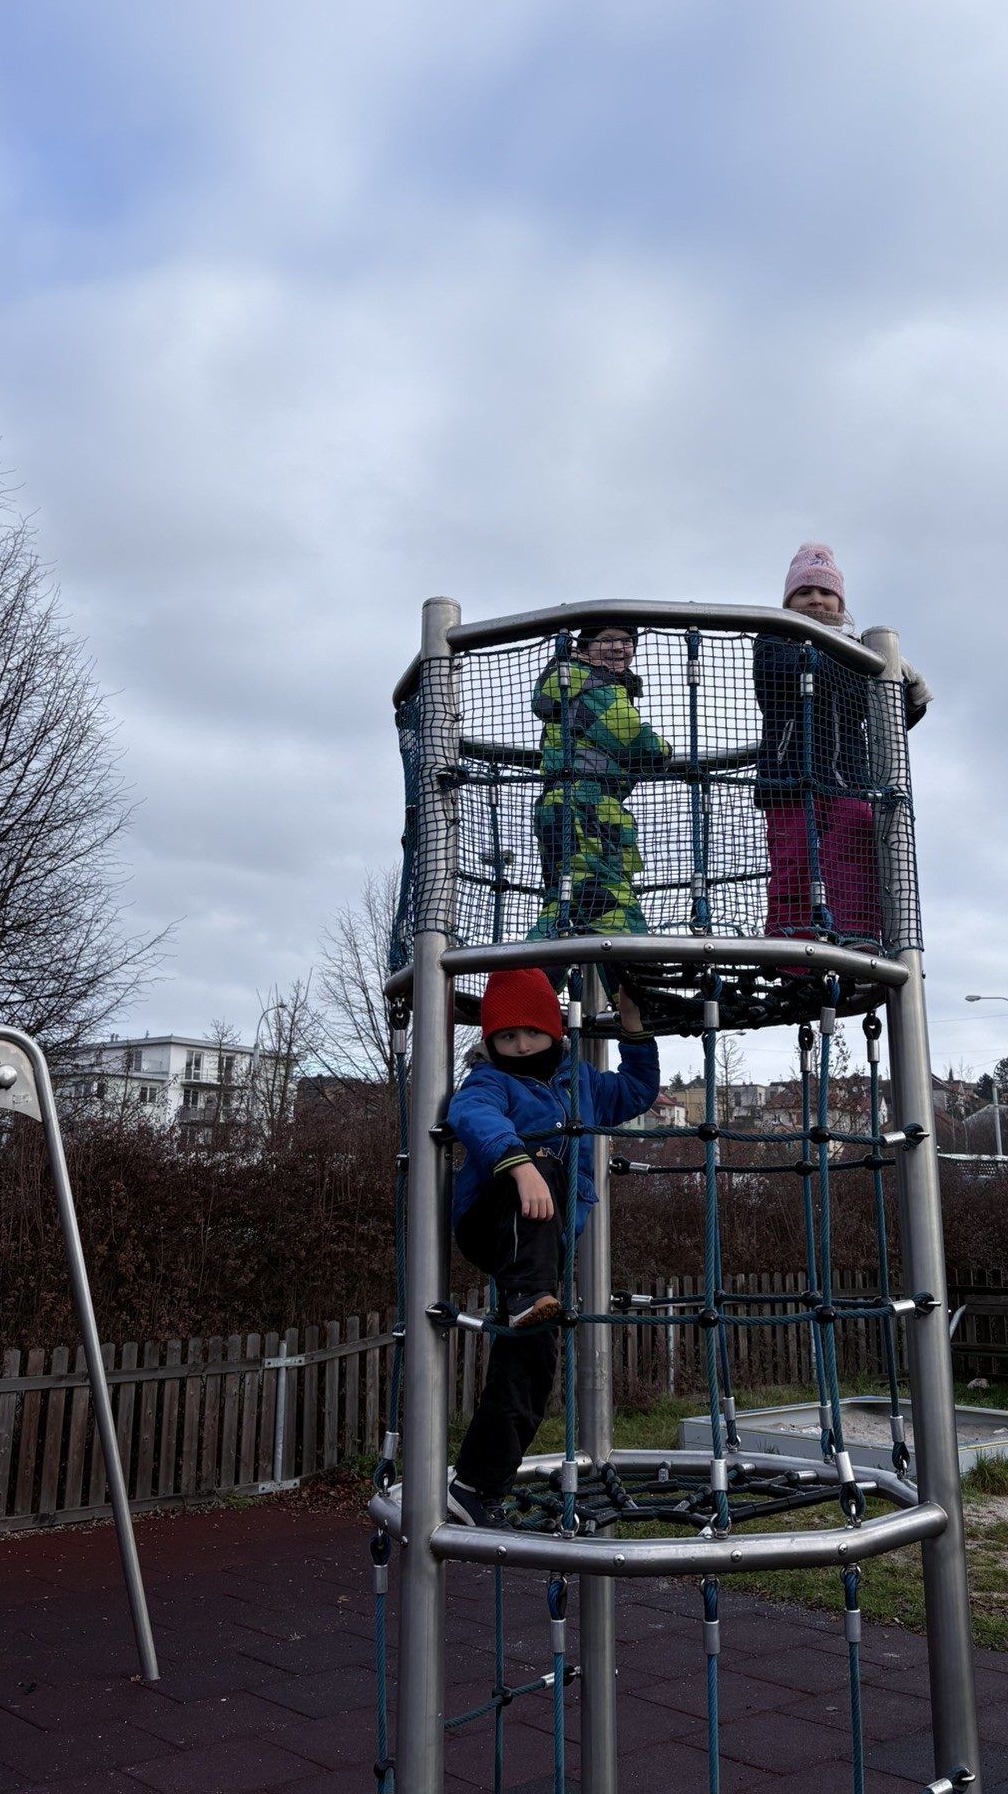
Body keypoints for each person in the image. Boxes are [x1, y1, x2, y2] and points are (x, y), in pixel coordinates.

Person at [445, 967, 659, 1526]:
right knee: (541, 1154)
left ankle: (475, 1486)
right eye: (507, 1036)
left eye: (532, 1033)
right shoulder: (492, 1080)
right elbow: (469, 1112)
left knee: (532, 1361)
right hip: (492, 1220)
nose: (521, 1046)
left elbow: (636, 1091)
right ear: (491, 1041)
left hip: (545, 1246)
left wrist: (634, 1029)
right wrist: (518, 1163)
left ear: (554, 1029)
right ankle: (526, 1295)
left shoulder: (580, 1082)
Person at [754, 543, 929, 946]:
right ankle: (791, 944)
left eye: (825, 592)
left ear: (840, 601)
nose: (816, 599)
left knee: (854, 846)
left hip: (849, 778)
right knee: (794, 859)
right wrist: (870, 666)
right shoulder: (777, 637)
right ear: (788, 601)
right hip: (790, 778)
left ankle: (856, 934)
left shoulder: (858, 649)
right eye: (804, 592)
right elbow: (781, 677)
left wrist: (904, 693)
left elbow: (883, 718)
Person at [528, 622, 671, 941]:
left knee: (566, 901)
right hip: (586, 807)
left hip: (569, 805)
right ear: (584, 650)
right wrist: (664, 751)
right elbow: (639, 745)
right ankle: (629, 968)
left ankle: (528, 970)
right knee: (608, 902)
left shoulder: (575, 684)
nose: (619, 647)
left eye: (627, 641)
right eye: (607, 640)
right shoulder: (590, 685)